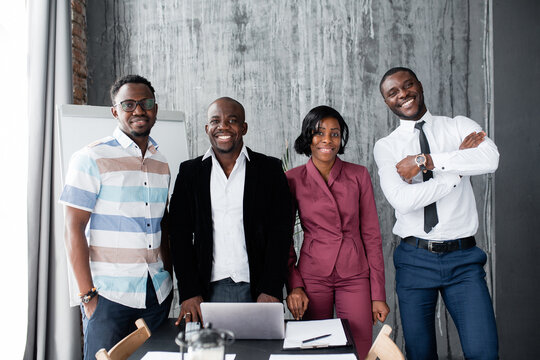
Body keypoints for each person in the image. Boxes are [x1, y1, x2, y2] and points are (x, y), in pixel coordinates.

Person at [374, 67, 499, 359]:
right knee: (420, 354)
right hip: (415, 260)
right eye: (393, 92)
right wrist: (456, 170)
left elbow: (490, 159)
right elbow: (403, 201)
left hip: (464, 260)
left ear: (419, 84)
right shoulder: (387, 147)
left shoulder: (458, 125)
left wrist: (426, 160)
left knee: (484, 352)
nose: (402, 94)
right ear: (387, 102)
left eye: (407, 85)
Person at [60, 75, 173, 359]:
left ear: (155, 109)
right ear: (115, 111)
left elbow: (162, 227)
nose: (138, 110)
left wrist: (169, 278)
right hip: (109, 298)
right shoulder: (90, 157)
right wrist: (88, 297)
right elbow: (73, 228)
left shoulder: (162, 163)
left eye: (145, 103)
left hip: (156, 295)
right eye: (128, 104)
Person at [169, 97, 294, 325]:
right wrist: (188, 291)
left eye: (232, 120)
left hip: (257, 291)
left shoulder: (270, 170)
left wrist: (271, 288)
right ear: (207, 129)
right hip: (205, 292)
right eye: (215, 121)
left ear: (244, 128)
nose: (223, 126)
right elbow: (179, 237)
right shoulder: (189, 173)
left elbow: (281, 234)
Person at [285, 105, 389, 358]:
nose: (327, 140)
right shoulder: (293, 178)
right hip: (313, 275)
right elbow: (284, 240)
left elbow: (372, 236)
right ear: (308, 137)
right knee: (313, 349)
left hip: (355, 274)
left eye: (335, 133)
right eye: (319, 133)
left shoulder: (358, 175)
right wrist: (294, 285)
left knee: (359, 349)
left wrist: (378, 294)